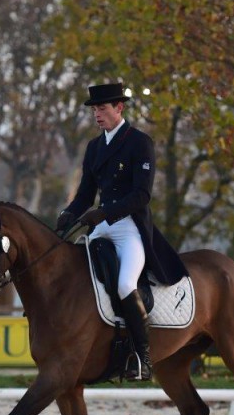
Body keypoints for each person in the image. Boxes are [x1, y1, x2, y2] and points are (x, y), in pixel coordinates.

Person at [55, 82, 188, 381]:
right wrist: (67, 214)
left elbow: (142, 195)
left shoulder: (139, 142)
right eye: (94, 110)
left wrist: (105, 212)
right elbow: (85, 195)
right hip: (102, 227)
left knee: (126, 284)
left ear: (119, 108)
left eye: (102, 109)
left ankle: (142, 357)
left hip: (129, 227)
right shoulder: (93, 147)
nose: (97, 115)